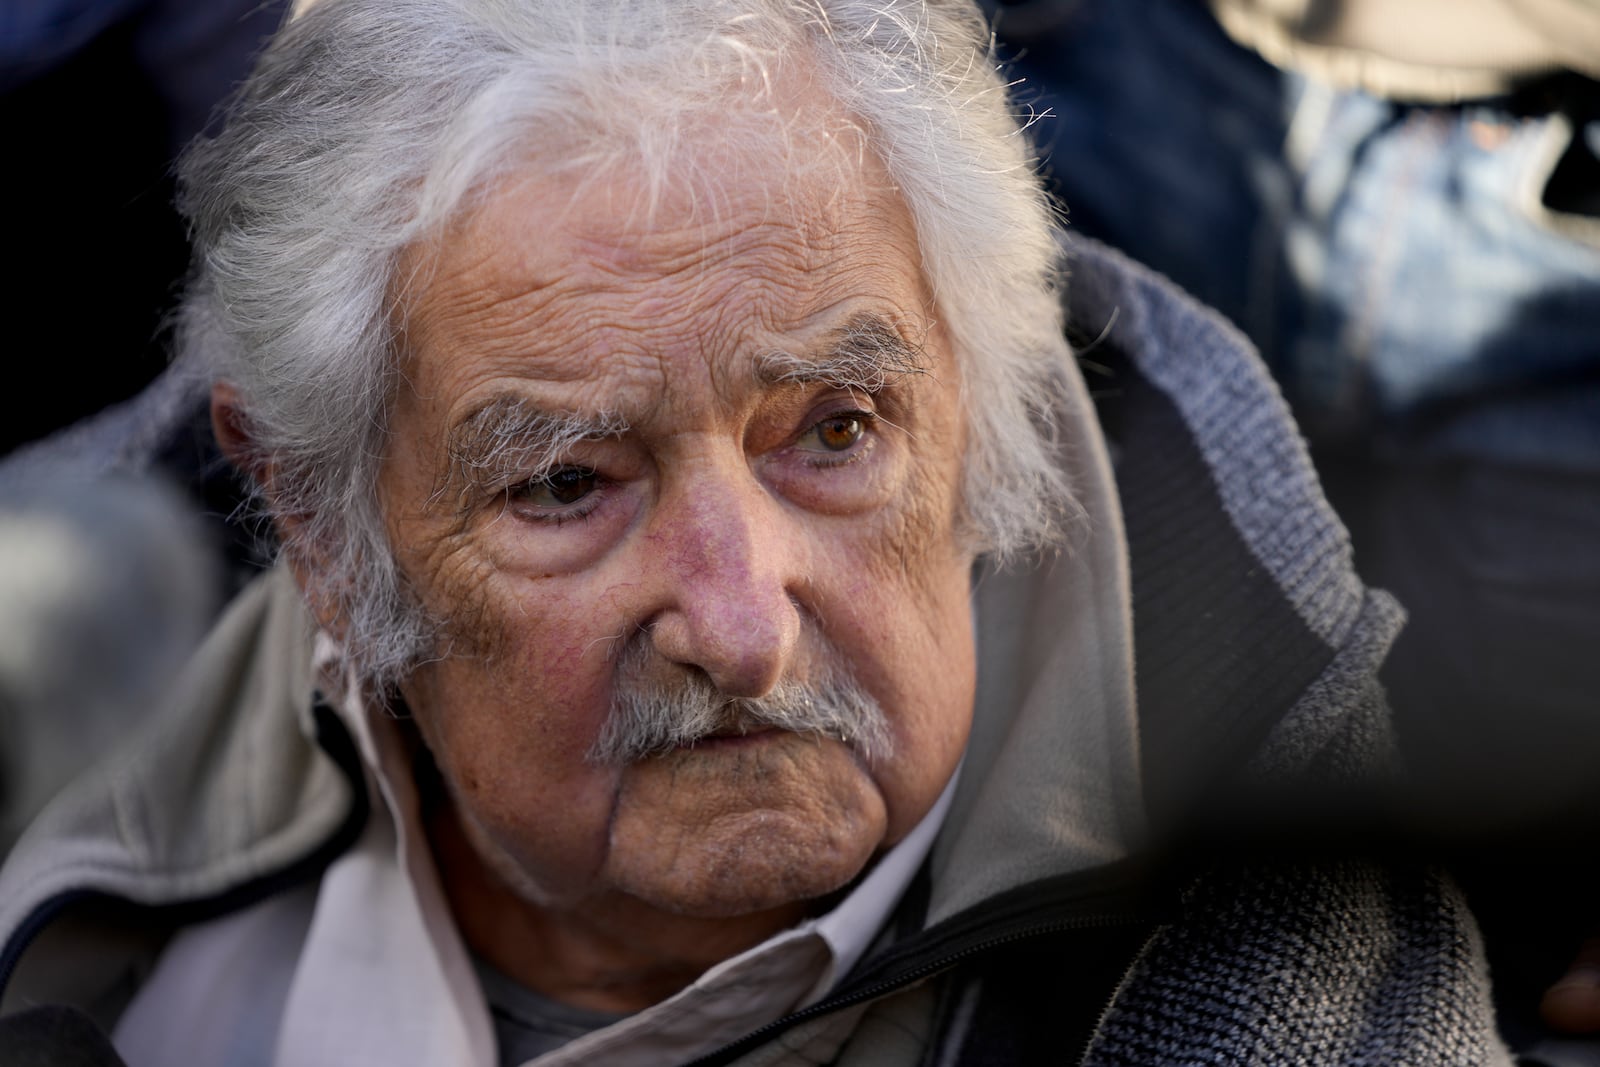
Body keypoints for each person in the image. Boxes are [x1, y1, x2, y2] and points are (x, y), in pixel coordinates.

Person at [0, 0, 1513, 1064]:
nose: (739, 626)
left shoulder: (1281, 921)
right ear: (317, 523)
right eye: (568, 483)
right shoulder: (65, 702)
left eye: (836, 433)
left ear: (976, 406)